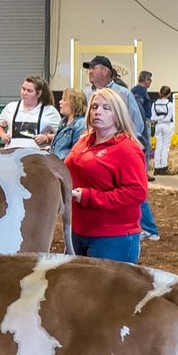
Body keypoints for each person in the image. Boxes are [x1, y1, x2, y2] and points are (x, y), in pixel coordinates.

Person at [64, 87, 150, 262]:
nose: (98, 112)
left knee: (108, 289)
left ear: (118, 114)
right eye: (94, 107)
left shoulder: (126, 149)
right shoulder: (84, 141)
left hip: (112, 235)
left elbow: (137, 192)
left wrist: (90, 197)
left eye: (106, 108)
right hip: (79, 230)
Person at [84, 55, 158, 241]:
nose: (90, 71)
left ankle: (148, 228)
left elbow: (136, 123)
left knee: (130, 188)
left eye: (93, 67)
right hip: (97, 149)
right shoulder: (88, 93)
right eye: (89, 68)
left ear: (106, 71)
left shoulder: (123, 94)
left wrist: (120, 143)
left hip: (119, 150)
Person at [0, 76, 61, 149]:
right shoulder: (11, 107)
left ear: (38, 94)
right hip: (12, 155)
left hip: (37, 157)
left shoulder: (49, 111)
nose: (24, 93)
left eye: (29, 91)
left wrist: (47, 137)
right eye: (23, 89)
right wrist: (3, 135)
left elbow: (63, 134)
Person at [50, 88, 87, 160]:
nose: (60, 102)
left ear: (74, 103)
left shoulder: (81, 124)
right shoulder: (63, 122)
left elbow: (77, 152)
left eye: (64, 100)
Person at [151, 85, 178, 174]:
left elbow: (153, 117)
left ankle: (156, 167)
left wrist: (159, 118)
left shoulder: (154, 104)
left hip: (158, 126)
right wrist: (163, 117)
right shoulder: (169, 105)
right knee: (165, 146)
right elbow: (168, 118)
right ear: (169, 94)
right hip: (167, 125)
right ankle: (163, 166)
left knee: (158, 146)